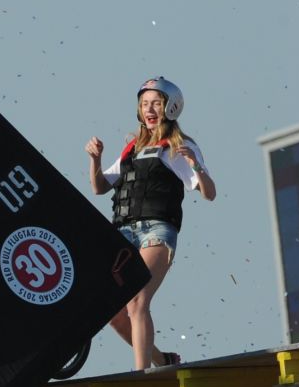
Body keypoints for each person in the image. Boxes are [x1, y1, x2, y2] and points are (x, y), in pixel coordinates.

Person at [85, 77, 217, 371]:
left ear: (171, 108)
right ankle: (162, 360)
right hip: (123, 234)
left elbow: (209, 193)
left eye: (156, 103)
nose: (149, 109)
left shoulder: (179, 146)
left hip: (157, 231)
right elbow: (99, 187)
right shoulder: (131, 147)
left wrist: (195, 164)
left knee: (138, 300)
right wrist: (95, 159)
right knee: (113, 311)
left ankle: (140, 375)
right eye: (144, 104)